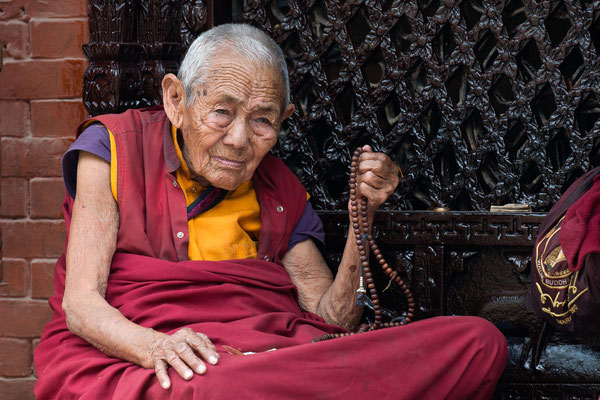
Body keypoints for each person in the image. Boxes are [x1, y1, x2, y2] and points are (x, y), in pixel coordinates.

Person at [34, 23, 507, 399]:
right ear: (176, 100)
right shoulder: (112, 149)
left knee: (477, 343)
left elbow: (334, 321)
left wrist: (362, 216)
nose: (240, 139)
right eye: (222, 111)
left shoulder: (278, 187)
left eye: (262, 120)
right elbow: (81, 305)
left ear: (283, 121)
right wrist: (158, 346)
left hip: (274, 362)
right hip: (158, 360)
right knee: (218, 389)